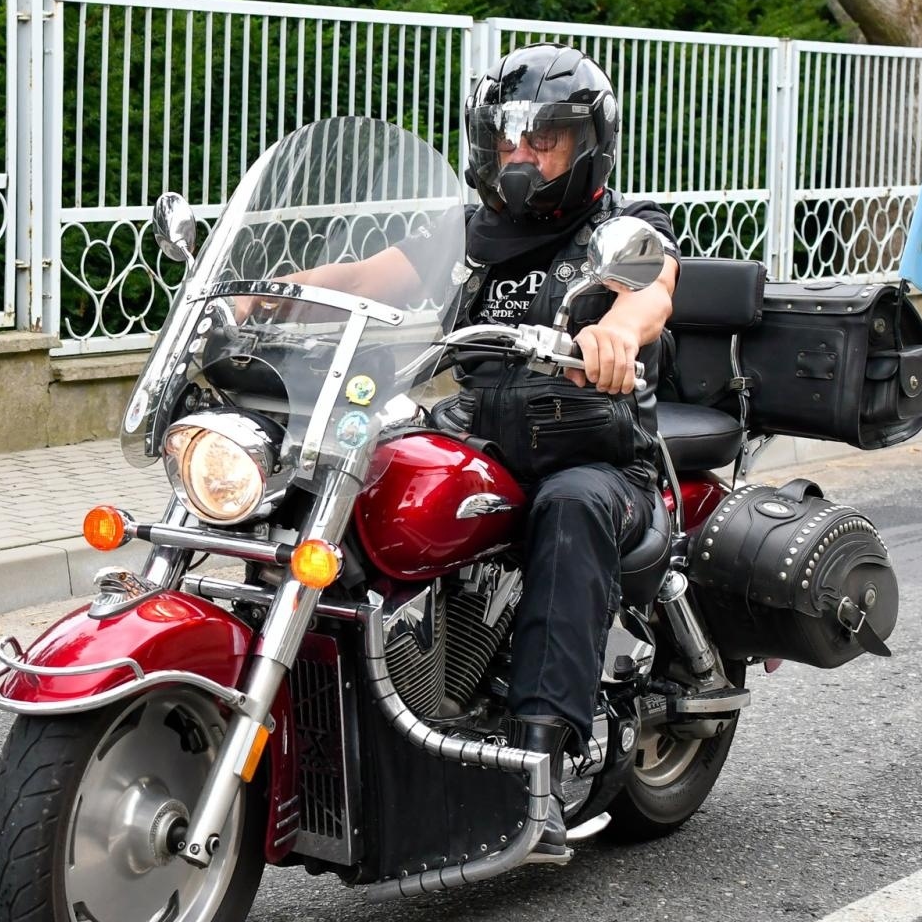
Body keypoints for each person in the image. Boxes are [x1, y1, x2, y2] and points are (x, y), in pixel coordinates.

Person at [237, 44, 680, 862]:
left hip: (598, 455)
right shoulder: (472, 234)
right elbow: (370, 274)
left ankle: (541, 757)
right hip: (485, 433)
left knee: (570, 506)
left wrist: (618, 331)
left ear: (586, 144)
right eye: (507, 138)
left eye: (543, 140)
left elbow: (651, 288)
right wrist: (276, 290)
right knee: (364, 469)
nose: (521, 156)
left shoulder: (621, 226)